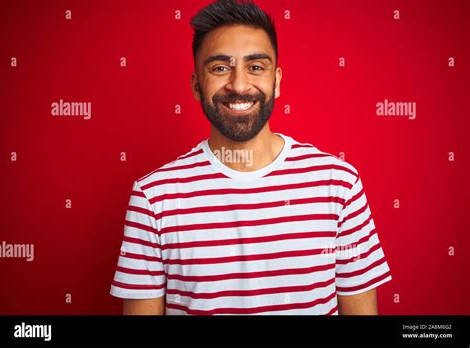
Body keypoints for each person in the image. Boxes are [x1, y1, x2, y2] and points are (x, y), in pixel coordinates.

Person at [110, 0, 392, 315]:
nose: (239, 84)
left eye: (256, 67)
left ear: (277, 81)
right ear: (195, 86)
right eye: (219, 68)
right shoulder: (153, 196)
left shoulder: (338, 185)